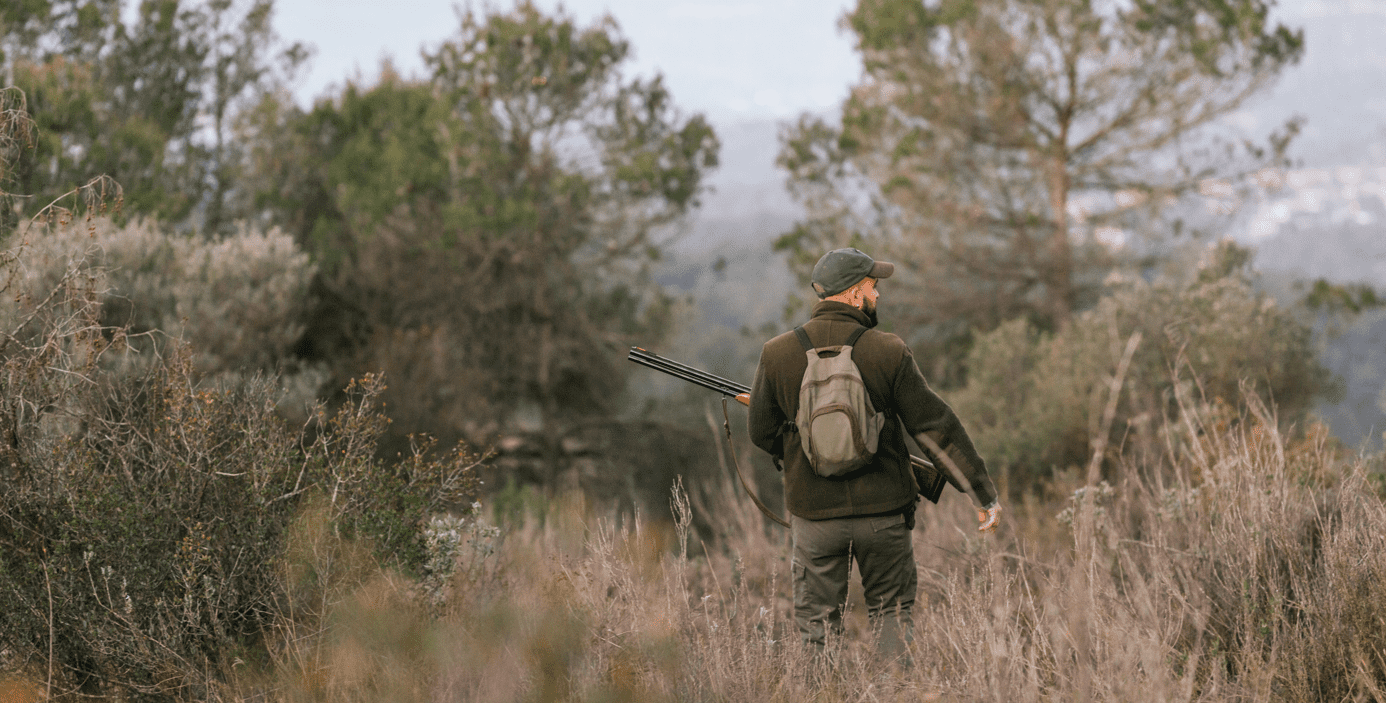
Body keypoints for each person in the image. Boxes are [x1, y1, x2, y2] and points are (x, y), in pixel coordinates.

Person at [748, 247, 1002, 659]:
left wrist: (802, 450)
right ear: (852, 294)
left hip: (815, 517)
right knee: (892, 615)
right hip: (883, 515)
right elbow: (934, 428)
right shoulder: (888, 350)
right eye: (873, 286)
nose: (878, 295)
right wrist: (980, 492)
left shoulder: (776, 353)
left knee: (817, 627)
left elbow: (761, 431)